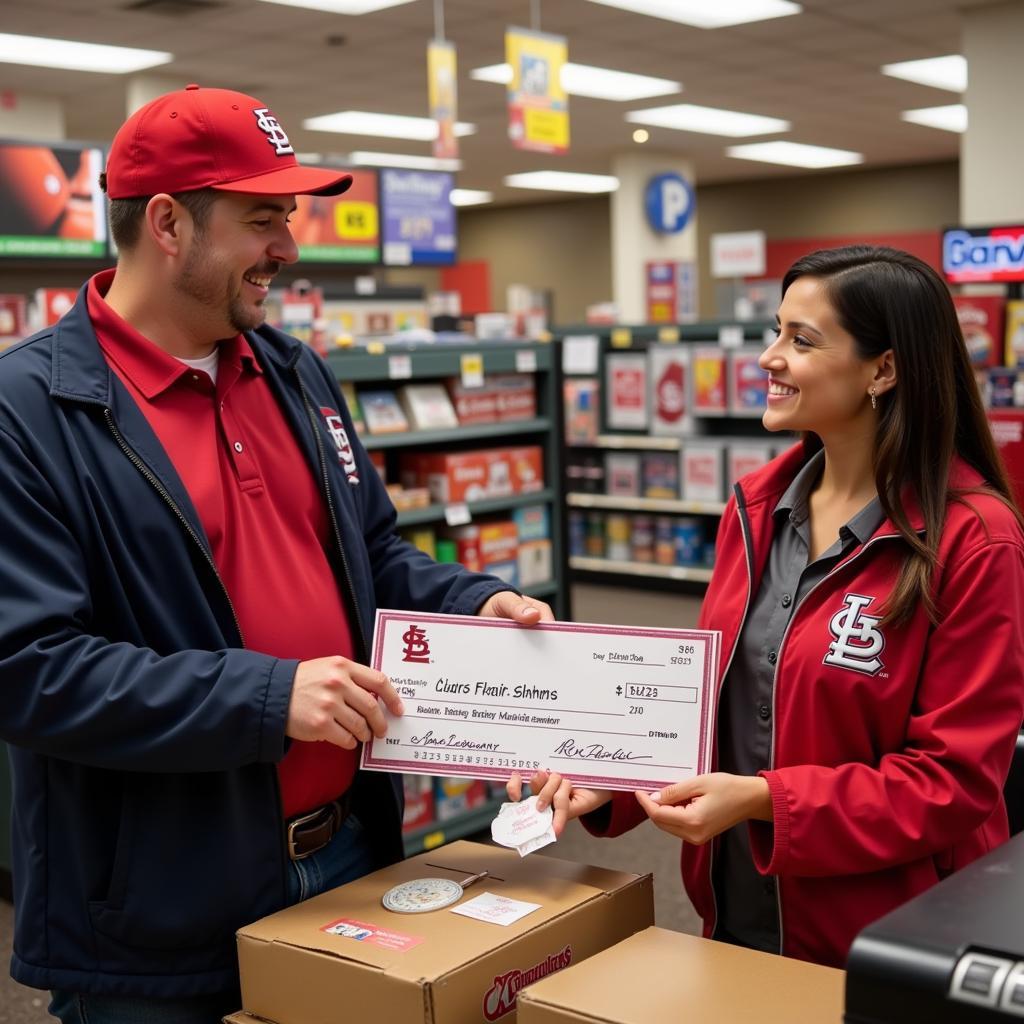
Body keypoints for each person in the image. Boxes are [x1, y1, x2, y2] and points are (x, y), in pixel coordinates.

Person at [0, 84, 552, 1023]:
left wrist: (469, 604)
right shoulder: (30, 411)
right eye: (263, 221)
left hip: (349, 853)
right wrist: (267, 697)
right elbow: (27, 668)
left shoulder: (294, 371)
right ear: (168, 223)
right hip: (163, 901)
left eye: (289, 219)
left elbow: (369, 554)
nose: (289, 251)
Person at [511, 245, 1024, 968]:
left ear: (884, 369)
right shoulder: (753, 510)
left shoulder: (975, 541)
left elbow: (954, 782)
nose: (769, 358)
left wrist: (761, 802)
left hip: (884, 941)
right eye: (776, 332)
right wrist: (612, 774)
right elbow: (717, 705)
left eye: (801, 339)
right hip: (738, 914)